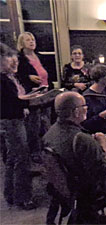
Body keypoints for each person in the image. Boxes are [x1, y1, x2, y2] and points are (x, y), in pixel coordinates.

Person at [43, 91, 106, 224]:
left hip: (66, 189)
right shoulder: (81, 139)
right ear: (76, 112)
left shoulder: (50, 133)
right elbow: (103, 171)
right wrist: (102, 144)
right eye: (84, 106)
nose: (87, 108)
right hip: (88, 192)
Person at [0, 42, 38, 210]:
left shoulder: (8, 77)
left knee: (13, 158)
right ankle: (23, 198)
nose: (14, 62)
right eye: (9, 58)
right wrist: (27, 101)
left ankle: (11, 194)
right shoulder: (1, 79)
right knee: (22, 158)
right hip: (11, 121)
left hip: (14, 120)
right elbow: (7, 104)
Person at [17, 31, 53, 163]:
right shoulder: (20, 59)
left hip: (45, 95)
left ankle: (47, 149)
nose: (32, 41)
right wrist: (28, 77)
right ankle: (35, 152)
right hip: (31, 96)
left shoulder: (40, 57)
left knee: (46, 123)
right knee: (34, 125)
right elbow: (17, 78)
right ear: (22, 43)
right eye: (28, 40)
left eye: (33, 39)